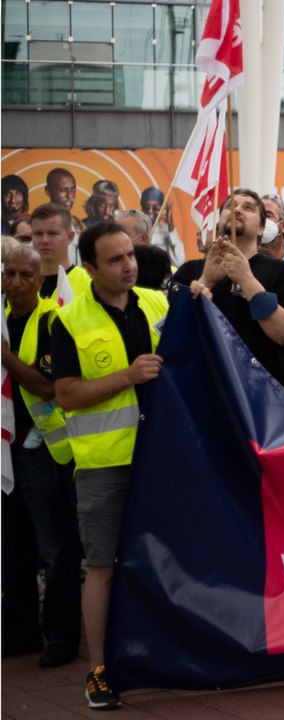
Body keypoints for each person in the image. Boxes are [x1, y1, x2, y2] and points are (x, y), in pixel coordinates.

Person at [50, 221, 170, 710]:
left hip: (164, 458)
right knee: (100, 568)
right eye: (116, 259)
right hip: (104, 465)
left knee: (165, 560)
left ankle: (164, 653)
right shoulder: (69, 320)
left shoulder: (159, 304)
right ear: (90, 267)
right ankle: (98, 669)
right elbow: (66, 395)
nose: (129, 265)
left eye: (131, 255)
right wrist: (126, 375)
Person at [2, 245, 82, 669]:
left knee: (55, 549)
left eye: (24, 276)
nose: (15, 283)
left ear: (40, 280)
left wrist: (5, 357)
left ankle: (62, 635)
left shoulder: (53, 319)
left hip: (44, 449)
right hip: (5, 447)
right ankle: (18, 631)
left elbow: (48, 388)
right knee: (12, 545)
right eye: (8, 274)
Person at [173, 189, 284, 395]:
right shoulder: (190, 271)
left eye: (248, 208)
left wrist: (247, 280)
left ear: (261, 228)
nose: (237, 210)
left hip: (265, 395)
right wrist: (206, 281)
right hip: (206, 390)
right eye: (230, 206)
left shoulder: (283, 272)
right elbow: (173, 331)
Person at [29, 203, 92, 302]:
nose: (45, 240)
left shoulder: (88, 283)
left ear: (70, 237)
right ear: (31, 236)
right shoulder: (22, 283)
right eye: (38, 234)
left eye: (52, 233)